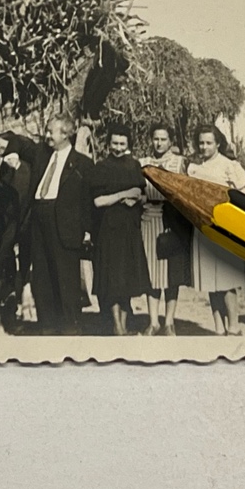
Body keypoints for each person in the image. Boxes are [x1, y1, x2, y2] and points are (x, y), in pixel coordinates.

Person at [8, 113, 94, 335]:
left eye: (51, 132)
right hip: (38, 219)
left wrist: (86, 230)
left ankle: (70, 326)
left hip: (65, 225)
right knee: (42, 275)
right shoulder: (41, 154)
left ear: (65, 135)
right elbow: (16, 139)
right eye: (46, 130)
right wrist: (13, 152)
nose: (47, 135)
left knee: (66, 276)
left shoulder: (82, 163)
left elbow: (87, 199)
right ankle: (47, 325)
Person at [186, 124, 245, 336]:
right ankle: (218, 327)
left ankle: (234, 326)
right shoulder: (193, 167)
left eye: (208, 143)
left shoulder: (229, 166)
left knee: (226, 278)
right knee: (209, 280)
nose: (204, 147)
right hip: (203, 226)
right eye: (201, 143)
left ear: (218, 143)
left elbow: (243, 197)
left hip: (224, 227)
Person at [88, 126, 151, 335]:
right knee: (113, 280)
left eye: (122, 144)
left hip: (130, 229)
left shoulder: (134, 166)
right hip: (109, 229)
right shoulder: (101, 167)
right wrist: (123, 194)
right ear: (108, 144)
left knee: (126, 280)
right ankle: (117, 326)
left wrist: (136, 199)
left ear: (128, 145)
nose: (117, 148)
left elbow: (142, 195)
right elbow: (98, 201)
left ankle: (123, 326)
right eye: (114, 143)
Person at [138, 125, 190, 335]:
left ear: (170, 141)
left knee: (171, 274)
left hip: (171, 223)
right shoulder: (142, 163)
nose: (158, 143)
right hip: (148, 219)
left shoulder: (179, 163)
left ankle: (169, 321)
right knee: (151, 274)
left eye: (163, 139)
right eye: (155, 138)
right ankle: (153, 321)